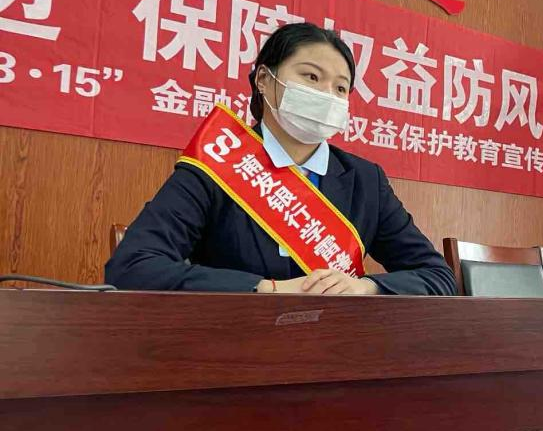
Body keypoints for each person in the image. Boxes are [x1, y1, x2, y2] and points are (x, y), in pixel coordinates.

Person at [106, 22, 456, 295]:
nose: (327, 94)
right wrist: (265, 289)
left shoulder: (365, 181)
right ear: (264, 79)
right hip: (233, 346)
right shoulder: (217, 164)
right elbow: (132, 266)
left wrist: (366, 287)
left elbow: (438, 277)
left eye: (340, 87)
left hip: (336, 348)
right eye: (311, 76)